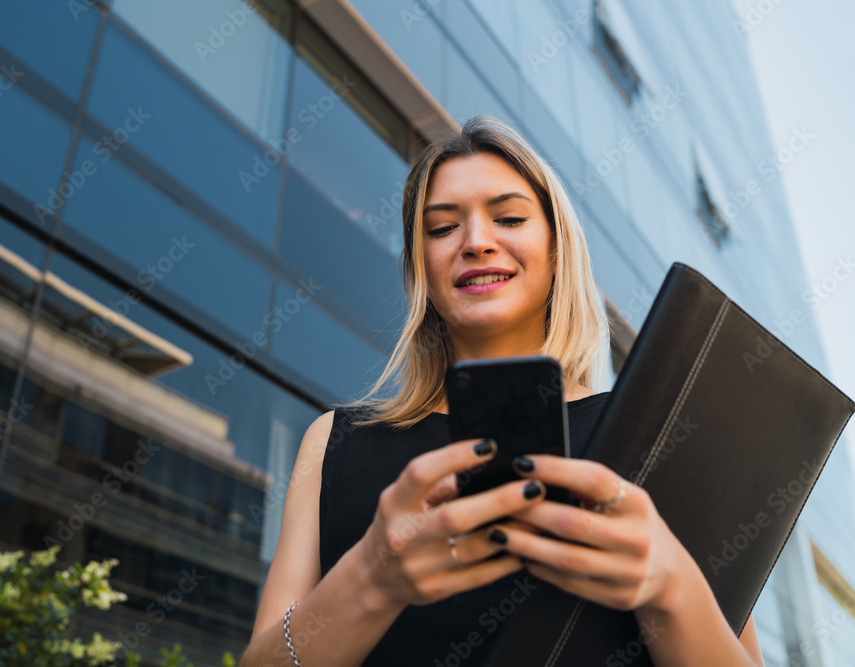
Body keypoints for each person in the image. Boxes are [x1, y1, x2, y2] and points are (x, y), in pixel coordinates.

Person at [240, 116, 763, 666]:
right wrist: (373, 577)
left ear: (558, 249)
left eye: (509, 218)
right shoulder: (336, 443)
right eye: (442, 229)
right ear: (422, 267)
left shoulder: (659, 437)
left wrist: (671, 586)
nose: (476, 242)